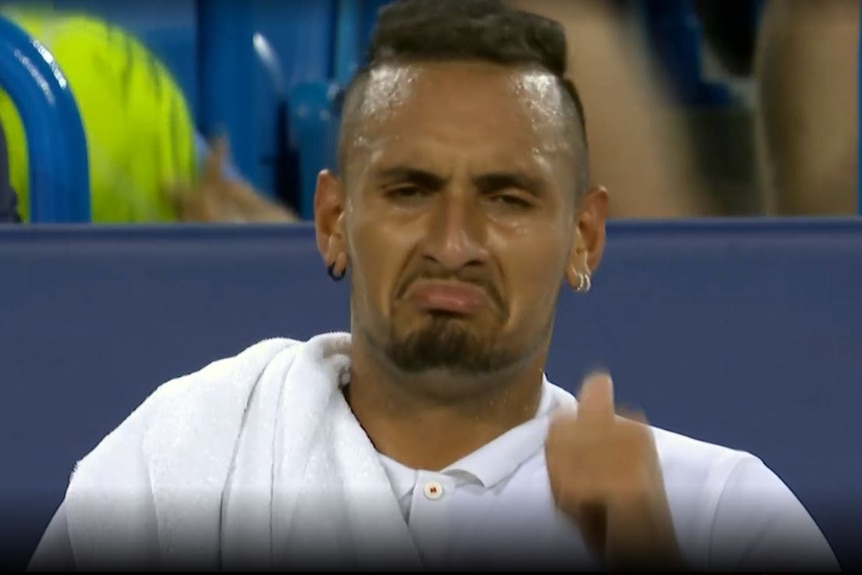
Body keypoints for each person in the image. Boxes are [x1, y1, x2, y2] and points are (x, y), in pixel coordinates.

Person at [28, 0, 839, 572]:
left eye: (506, 197)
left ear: (583, 236)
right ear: (333, 219)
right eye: (410, 190)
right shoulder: (189, 454)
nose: (455, 243)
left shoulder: (721, 511)